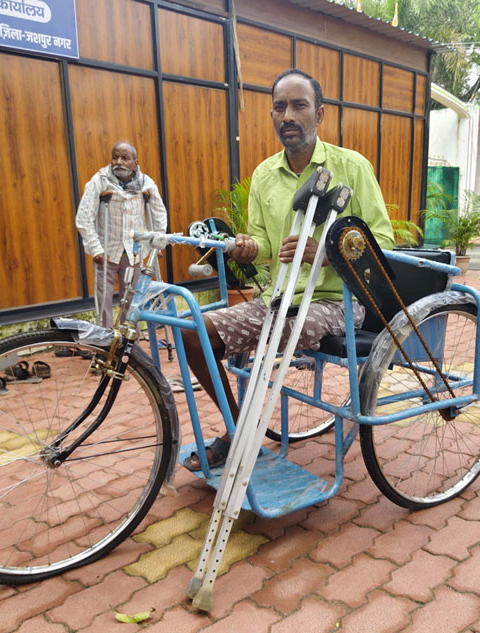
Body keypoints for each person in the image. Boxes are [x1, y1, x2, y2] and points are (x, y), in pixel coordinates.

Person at [180, 68, 395, 471]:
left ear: (321, 113)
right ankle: (239, 427)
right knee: (191, 334)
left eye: (299, 105)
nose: (287, 116)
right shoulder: (264, 174)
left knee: (280, 327)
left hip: (335, 302)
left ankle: (236, 439)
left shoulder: (353, 168)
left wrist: (329, 253)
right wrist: (247, 248)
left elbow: (384, 242)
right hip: (277, 300)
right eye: (279, 107)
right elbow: (265, 247)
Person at [76, 140, 167, 328]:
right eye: (115, 157)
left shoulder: (146, 183)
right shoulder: (99, 181)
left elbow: (159, 214)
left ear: (135, 163)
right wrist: (95, 248)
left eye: (125, 158)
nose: (119, 161)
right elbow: (84, 218)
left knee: (131, 298)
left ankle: (127, 339)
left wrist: (157, 243)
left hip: (134, 251)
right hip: (107, 251)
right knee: (104, 300)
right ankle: (106, 339)